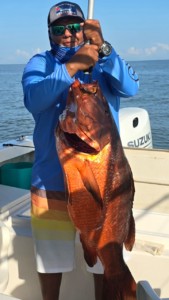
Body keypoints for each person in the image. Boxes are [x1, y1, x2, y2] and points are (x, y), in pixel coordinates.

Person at [22, 1, 139, 300]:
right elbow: (34, 99)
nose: (68, 33)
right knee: (50, 263)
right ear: (50, 33)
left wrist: (104, 49)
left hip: (105, 188)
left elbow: (131, 87)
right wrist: (72, 66)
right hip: (50, 186)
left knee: (104, 265)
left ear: (84, 28)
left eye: (75, 26)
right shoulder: (39, 64)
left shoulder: (103, 65)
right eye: (59, 28)